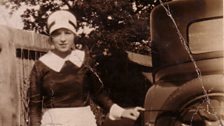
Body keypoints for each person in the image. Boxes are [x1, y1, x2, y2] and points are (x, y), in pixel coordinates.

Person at [29, 10, 144, 126]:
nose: (62, 39)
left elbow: (99, 95)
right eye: (57, 34)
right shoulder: (41, 65)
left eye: (67, 33)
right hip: (53, 122)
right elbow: (35, 106)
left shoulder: (83, 59)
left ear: (74, 35)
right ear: (51, 38)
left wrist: (122, 112)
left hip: (82, 121)